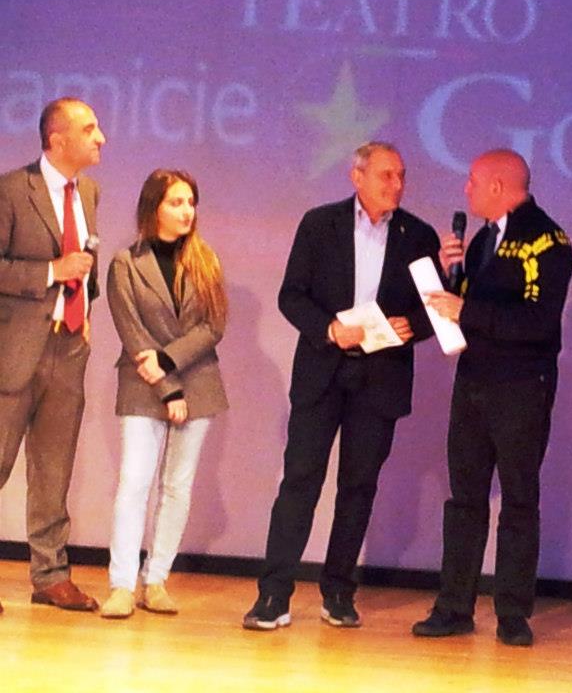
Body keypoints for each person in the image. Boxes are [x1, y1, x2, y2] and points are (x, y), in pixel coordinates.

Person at [243, 142, 440, 631]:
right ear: (357, 176)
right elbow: (292, 296)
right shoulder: (319, 224)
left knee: (358, 487)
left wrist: (412, 327)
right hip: (323, 371)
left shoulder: (419, 235)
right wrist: (330, 329)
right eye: (386, 175)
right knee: (300, 482)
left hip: (381, 377)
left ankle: (338, 592)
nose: (397, 184)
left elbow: (436, 308)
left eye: (401, 175)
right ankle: (274, 594)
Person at [412, 149, 572, 647]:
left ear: (499, 186)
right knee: (464, 498)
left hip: (521, 386)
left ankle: (512, 613)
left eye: (473, 181)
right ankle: (454, 606)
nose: (467, 189)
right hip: (474, 381)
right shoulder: (484, 239)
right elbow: (469, 307)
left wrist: (466, 309)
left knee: (519, 499)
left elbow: (538, 321)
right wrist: (452, 276)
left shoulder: (547, 241)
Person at [100, 169, 229, 618]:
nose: (186, 210)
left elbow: (213, 326)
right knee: (135, 482)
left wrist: (170, 363)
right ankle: (121, 585)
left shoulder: (206, 260)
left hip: (197, 380)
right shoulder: (125, 263)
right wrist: (166, 386)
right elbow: (132, 331)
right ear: (153, 207)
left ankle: (155, 580)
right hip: (143, 383)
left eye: (190, 202)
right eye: (176, 202)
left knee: (177, 486)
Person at [0, 97, 106, 614]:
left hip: (69, 347)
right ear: (57, 139)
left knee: (53, 470)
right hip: (14, 351)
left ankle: (50, 576)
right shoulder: (10, 190)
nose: (101, 138)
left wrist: (85, 309)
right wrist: (50, 272)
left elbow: (85, 261)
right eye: (90, 129)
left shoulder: (89, 191)